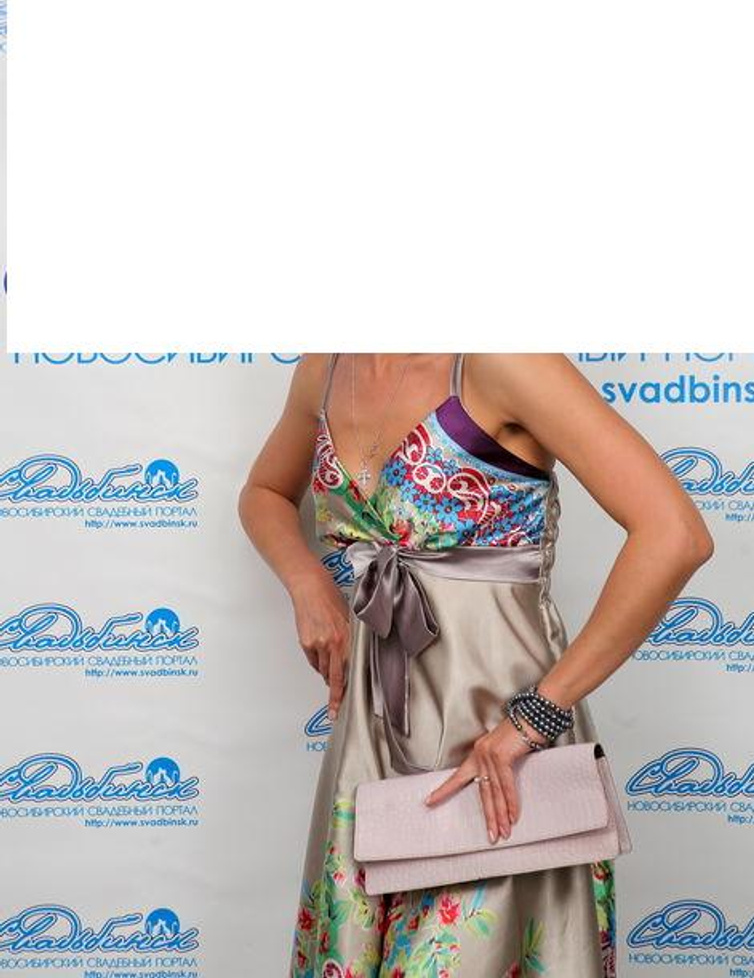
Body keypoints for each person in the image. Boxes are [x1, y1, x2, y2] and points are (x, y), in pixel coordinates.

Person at [238, 352, 714, 977]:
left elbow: (675, 534)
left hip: (496, 740)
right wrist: (308, 583)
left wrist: (536, 716)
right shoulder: (325, 366)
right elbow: (265, 493)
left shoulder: (505, 359)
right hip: (373, 735)